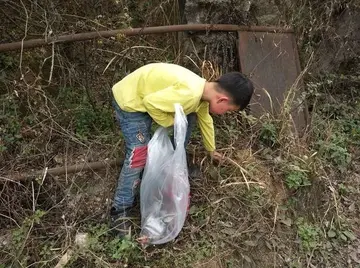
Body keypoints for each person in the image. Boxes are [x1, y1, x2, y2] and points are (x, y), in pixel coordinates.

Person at [110, 62, 254, 236]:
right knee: (139, 153)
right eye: (229, 110)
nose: (225, 113)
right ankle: (119, 210)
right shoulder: (190, 95)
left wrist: (211, 149)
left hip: (144, 95)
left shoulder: (202, 92)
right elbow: (150, 102)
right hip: (130, 102)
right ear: (222, 99)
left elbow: (205, 119)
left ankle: (171, 167)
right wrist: (170, 123)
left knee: (189, 117)